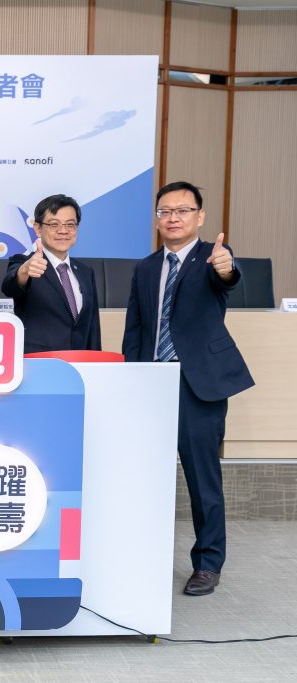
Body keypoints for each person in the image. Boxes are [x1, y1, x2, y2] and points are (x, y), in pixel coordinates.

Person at [122, 181, 254, 597]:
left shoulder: (213, 258)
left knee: (202, 479)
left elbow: (228, 278)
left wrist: (226, 267)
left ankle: (208, 563)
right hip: (151, 382)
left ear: (200, 217)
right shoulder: (145, 268)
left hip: (198, 385)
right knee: (143, 473)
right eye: (165, 211)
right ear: (156, 219)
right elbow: (136, 328)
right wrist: (131, 378)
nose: (173, 218)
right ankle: (141, 556)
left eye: (183, 210)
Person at [1, 194, 101, 353]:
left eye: (70, 224)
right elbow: (10, 286)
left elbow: (93, 327)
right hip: (40, 362)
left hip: (80, 363)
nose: (63, 231)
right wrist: (24, 270)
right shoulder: (25, 263)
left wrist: (96, 362)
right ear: (38, 228)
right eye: (54, 224)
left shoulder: (85, 272)